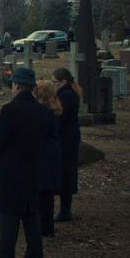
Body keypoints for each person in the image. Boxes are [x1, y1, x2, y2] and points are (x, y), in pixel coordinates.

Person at [0, 67, 45, 258]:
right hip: (32, 170)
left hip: (11, 173)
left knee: (8, 223)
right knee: (32, 220)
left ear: (17, 85)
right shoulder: (41, 110)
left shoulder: (10, 110)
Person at [52, 68, 82, 223]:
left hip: (66, 138)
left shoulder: (67, 96)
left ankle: (65, 210)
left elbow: (60, 117)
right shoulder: (67, 93)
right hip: (68, 136)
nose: (53, 84)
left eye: (55, 82)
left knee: (66, 172)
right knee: (65, 171)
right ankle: (65, 208)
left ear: (63, 82)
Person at [33, 81, 62, 237]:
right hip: (52, 153)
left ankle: (43, 226)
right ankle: (47, 225)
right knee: (47, 194)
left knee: (42, 192)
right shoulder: (54, 109)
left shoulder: (44, 112)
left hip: (43, 153)